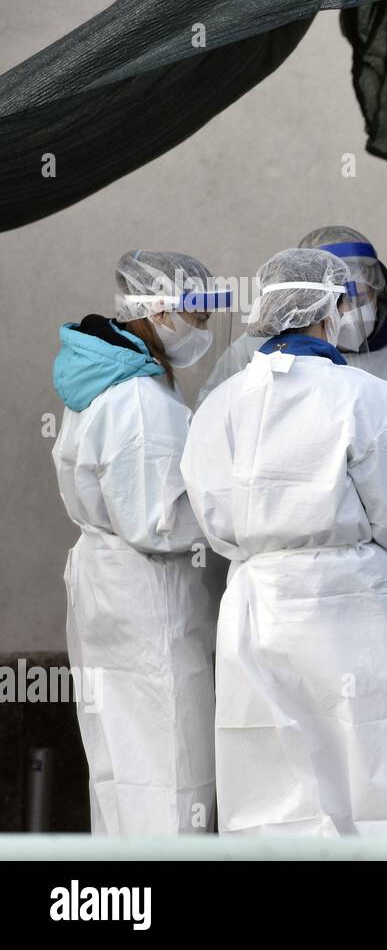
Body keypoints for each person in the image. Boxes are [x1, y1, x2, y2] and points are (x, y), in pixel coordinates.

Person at [197, 226, 387, 831]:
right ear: (329, 310)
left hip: (258, 603)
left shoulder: (223, 402)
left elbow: (213, 516)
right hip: (349, 607)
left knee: (268, 778)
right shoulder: (364, 396)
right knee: (372, 777)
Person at [51, 250, 229, 834]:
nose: (201, 331)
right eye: (195, 316)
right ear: (158, 311)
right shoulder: (139, 401)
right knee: (170, 767)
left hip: (111, 595)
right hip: (147, 602)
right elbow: (158, 520)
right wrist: (233, 508)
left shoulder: (105, 384)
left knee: (122, 767)